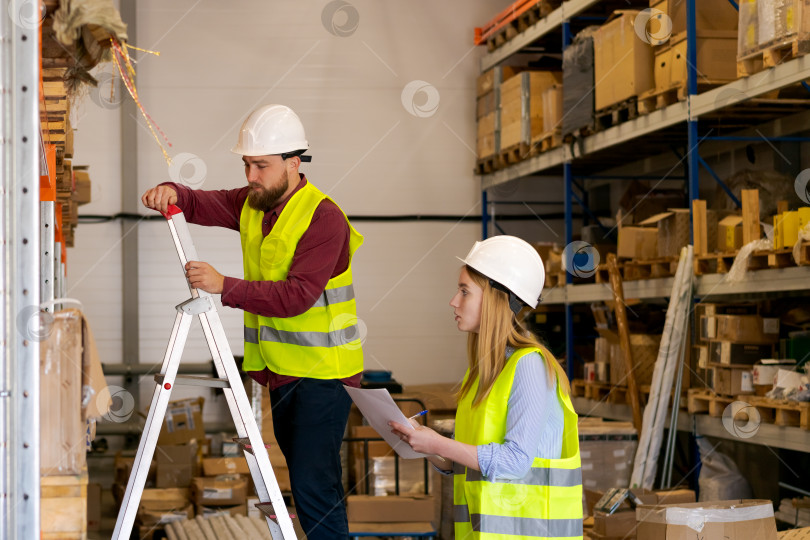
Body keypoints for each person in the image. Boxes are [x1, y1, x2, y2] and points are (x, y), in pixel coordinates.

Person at [141, 104, 363, 539]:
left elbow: (297, 296)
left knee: (315, 488)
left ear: (293, 163)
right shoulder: (253, 203)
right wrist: (173, 192)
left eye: (261, 165)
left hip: (324, 376)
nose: (251, 175)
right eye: (246, 164)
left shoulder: (324, 218)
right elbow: (204, 203)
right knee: (308, 484)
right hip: (282, 373)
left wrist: (224, 285)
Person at [390, 235, 583, 539]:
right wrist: (422, 443)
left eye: (464, 291)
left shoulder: (529, 366)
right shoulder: (482, 372)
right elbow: (470, 462)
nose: (454, 301)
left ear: (496, 298)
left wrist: (438, 443)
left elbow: (515, 462)